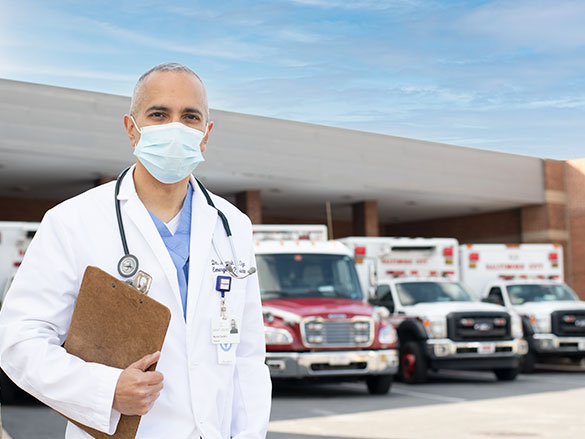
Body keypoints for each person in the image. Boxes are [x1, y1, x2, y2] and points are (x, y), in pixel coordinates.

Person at [0, 63, 272, 439]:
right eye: (159, 114)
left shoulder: (233, 226)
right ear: (132, 128)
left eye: (189, 117)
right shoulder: (72, 221)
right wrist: (105, 389)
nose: (175, 128)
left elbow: (247, 357)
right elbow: (19, 340)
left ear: (205, 135)